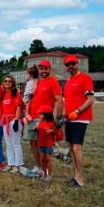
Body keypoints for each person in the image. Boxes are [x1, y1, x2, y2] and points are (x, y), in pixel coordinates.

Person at [25, 59, 63, 177]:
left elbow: (59, 100)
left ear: (49, 69)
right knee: (32, 143)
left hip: (42, 119)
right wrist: (27, 112)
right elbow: (32, 99)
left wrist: (57, 119)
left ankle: (45, 170)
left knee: (41, 145)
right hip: (31, 117)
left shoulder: (53, 81)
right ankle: (37, 167)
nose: (43, 71)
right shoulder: (39, 82)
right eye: (41, 69)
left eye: (46, 68)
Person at [63, 54, 94, 188]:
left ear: (77, 64)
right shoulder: (69, 80)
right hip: (69, 118)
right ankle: (76, 176)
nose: (70, 66)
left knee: (76, 148)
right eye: (68, 65)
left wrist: (78, 111)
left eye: (73, 64)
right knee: (71, 148)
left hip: (80, 119)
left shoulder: (85, 78)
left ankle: (80, 180)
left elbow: (90, 99)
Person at [0, 75, 24, 174]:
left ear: (12, 83)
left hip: (14, 120)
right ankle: (10, 164)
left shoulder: (15, 93)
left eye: (9, 81)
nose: (7, 83)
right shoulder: (4, 94)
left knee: (16, 144)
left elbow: (18, 107)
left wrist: (17, 121)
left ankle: (17, 165)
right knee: (8, 144)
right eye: (5, 81)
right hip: (6, 121)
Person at [34, 105, 56, 181]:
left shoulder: (52, 123)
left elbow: (58, 132)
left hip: (48, 144)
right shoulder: (40, 122)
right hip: (41, 143)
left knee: (48, 159)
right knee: (42, 159)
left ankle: (49, 175)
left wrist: (52, 130)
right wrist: (35, 128)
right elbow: (39, 129)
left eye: (40, 114)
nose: (39, 115)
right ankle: (44, 173)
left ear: (46, 115)